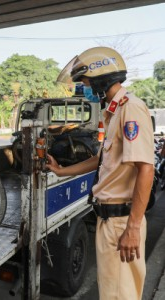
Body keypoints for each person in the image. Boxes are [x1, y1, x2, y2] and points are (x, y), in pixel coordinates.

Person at [48, 47, 154, 299]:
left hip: (121, 221)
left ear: (100, 79)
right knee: (113, 290)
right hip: (111, 220)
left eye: (84, 82)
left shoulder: (131, 109)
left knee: (118, 294)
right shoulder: (115, 111)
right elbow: (102, 159)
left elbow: (145, 168)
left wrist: (132, 227)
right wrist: (61, 171)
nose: (83, 87)